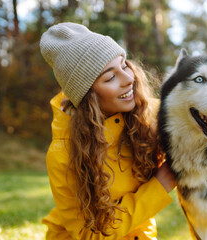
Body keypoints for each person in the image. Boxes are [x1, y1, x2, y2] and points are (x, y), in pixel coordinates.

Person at [40, 22, 177, 240]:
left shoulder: (145, 112)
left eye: (124, 66)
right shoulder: (62, 154)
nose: (129, 79)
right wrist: (160, 185)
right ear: (87, 97)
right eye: (110, 77)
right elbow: (90, 234)